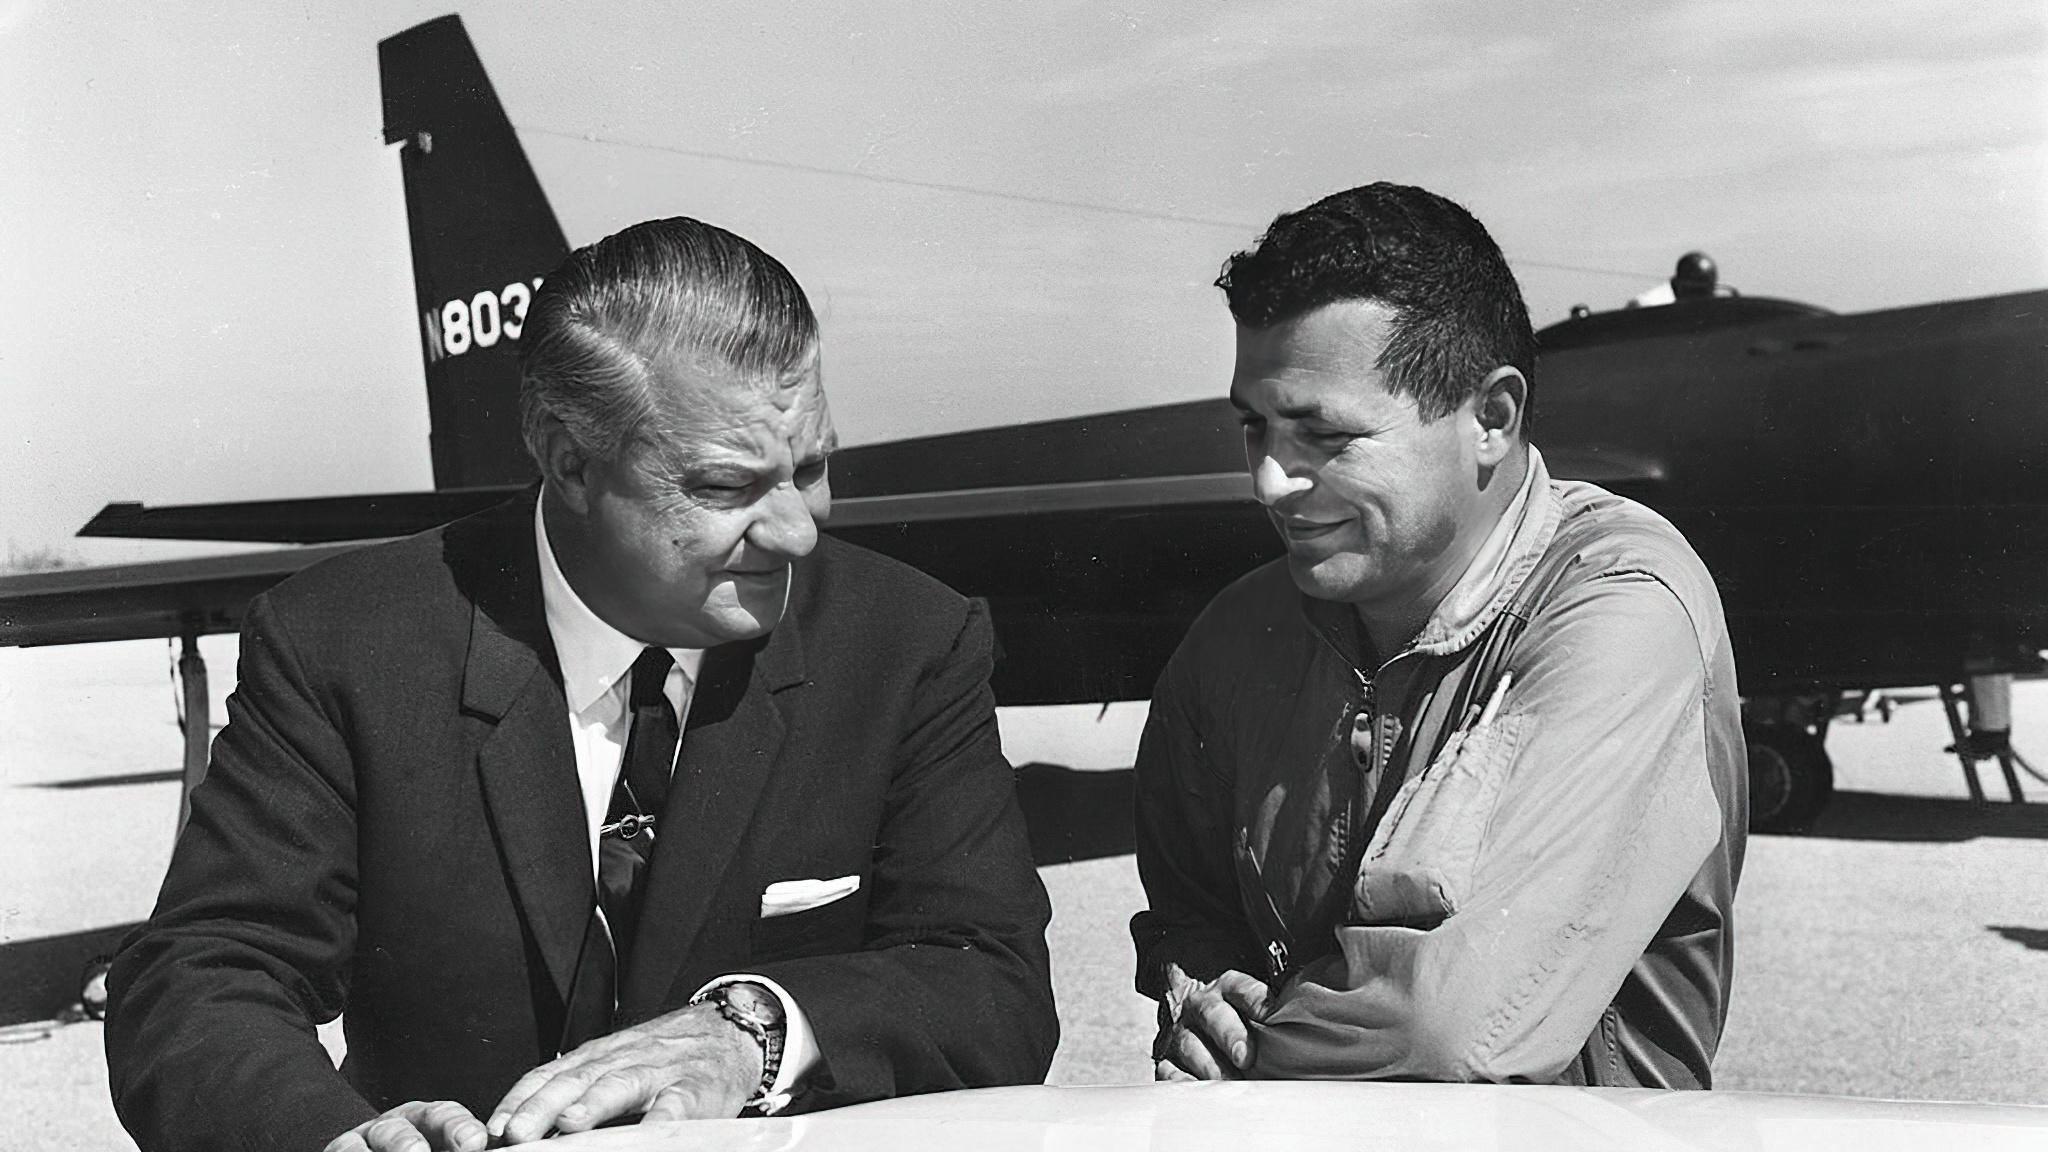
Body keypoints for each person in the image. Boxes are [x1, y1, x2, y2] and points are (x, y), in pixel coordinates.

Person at [105, 218, 1058, 1151]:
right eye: (726, 487)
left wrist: (752, 1036)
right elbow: (202, 975)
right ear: (569, 461)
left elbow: (994, 984)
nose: (799, 533)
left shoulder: (907, 642)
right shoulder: (345, 645)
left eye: (809, 469)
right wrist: (337, 1139)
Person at [1131, 183, 1746, 1088]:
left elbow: (1447, 1030)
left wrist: (1253, 1048)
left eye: (1324, 434)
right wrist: (1200, 986)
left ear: (1490, 419)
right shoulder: (1235, 636)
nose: (1268, 481)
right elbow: (1187, 912)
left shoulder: (1622, 606)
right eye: (1254, 426)